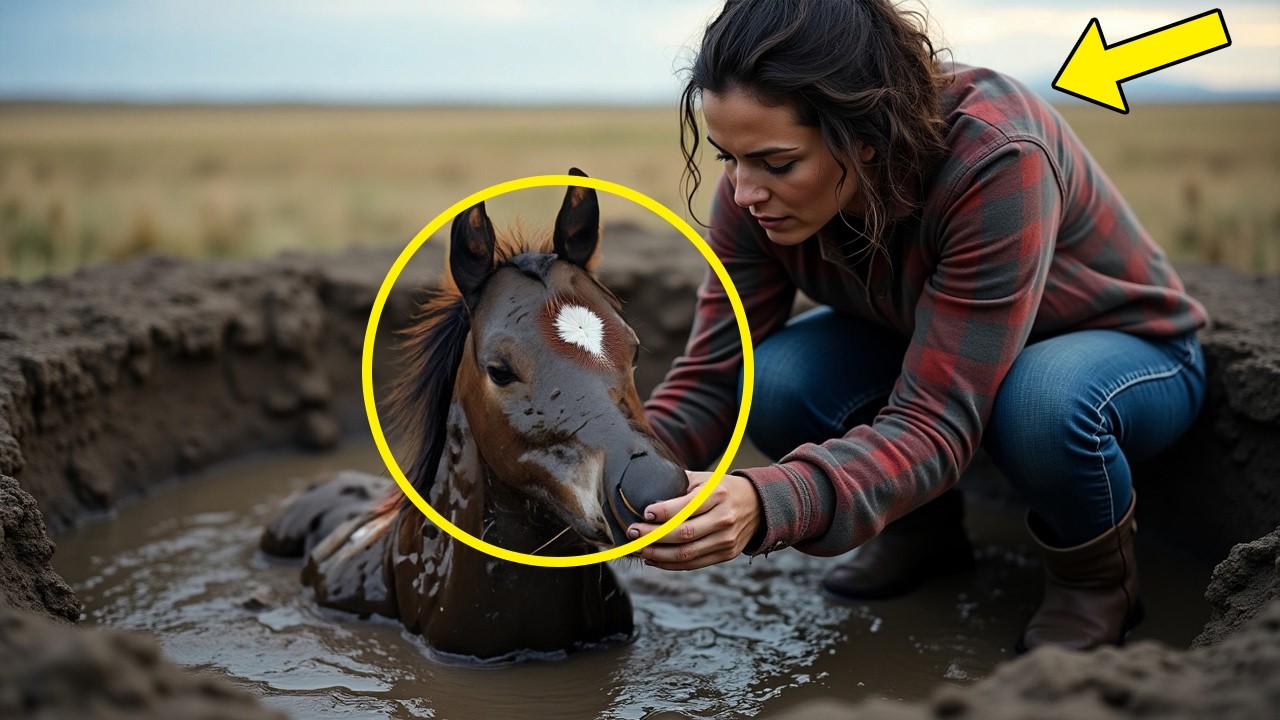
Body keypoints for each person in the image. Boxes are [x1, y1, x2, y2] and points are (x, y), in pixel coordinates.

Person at [627, 0, 1208, 653]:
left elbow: (936, 419)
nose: (741, 191)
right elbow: (713, 373)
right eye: (727, 158)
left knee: (1039, 403)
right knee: (776, 380)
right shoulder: (753, 187)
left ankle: (1097, 585)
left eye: (777, 163)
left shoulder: (994, 156)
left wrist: (771, 502)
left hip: (1122, 354)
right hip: (942, 354)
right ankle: (923, 537)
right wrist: (608, 478)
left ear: (865, 138)